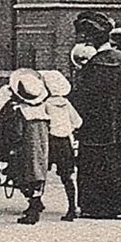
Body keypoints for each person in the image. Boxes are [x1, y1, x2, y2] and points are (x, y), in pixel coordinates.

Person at [68, 11, 121, 219]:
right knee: (120, 165)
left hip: (96, 127)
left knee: (95, 165)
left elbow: (81, 97)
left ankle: (98, 208)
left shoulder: (93, 66)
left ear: (90, 40)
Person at [5, 68, 51, 225]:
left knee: (26, 178)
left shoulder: (21, 112)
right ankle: (36, 203)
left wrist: (12, 147)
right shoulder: (43, 111)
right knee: (38, 177)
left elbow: (17, 134)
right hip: (42, 149)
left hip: (25, 151)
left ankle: (33, 211)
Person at [42, 67, 82, 221]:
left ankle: (35, 203)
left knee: (41, 174)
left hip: (50, 141)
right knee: (67, 176)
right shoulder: (66, 103)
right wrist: (68, 128)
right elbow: (78, 122)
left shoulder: (45, 104)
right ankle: (72, 207)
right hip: (65, 142)